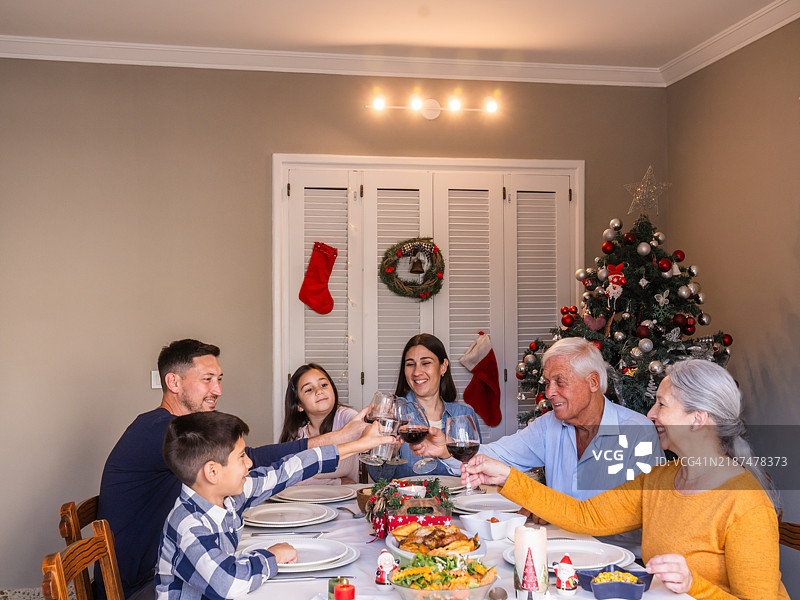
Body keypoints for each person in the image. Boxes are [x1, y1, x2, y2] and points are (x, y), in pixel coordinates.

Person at [464, 359, 789, 600]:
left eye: (662, 404)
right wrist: (506, 476)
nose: (650, 413)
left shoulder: (745, 504)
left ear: (697, 419)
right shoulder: (661, 479)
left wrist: (694, 585)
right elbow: (585, 515)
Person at [97, 339, 368, 600]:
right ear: (173, 382)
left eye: (220, 379)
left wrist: (346, 440)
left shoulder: (178, 433)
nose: (218, 390)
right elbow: (255, 458)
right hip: (141, 586)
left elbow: (268, 470)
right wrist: (340, 437)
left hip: (168, 569)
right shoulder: (161, 431)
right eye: (207, 379)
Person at [411, 337, 661, 553]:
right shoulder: (548, 425)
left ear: (593, 382)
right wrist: (445, 449)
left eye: (560, 382)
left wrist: (549, 507)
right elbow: (497, 455)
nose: (549, 392)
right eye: (547, 382)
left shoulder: (638, 431)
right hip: (556, 548)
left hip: (619, 559)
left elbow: (645, 514)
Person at [156, 410, 389, 599]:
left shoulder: (225, 496)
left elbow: (288, 469)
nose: (249, 463)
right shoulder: (188, 525)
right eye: (241, 457)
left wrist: (359, 445)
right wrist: (272, 556)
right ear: (212, 472)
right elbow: (229, 583)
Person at [367, 333, 482, 481]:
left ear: (443, 366)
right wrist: (392, 451)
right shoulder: (392, 413)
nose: (416, 372)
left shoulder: (464, 414)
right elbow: (379, 479)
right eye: (410, 364)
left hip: (457, 501)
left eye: (425, 363)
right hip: (406, 502)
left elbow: (476, 469)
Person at [278, 363, 360, 484]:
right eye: (309, 389)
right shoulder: (297, 436)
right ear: (299, 405)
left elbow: (361, 426)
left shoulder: (345, 417)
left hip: (347, 501)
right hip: (304, 500)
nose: (319, 391)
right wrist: (338, 482)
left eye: (324, 385)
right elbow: (290, 479)